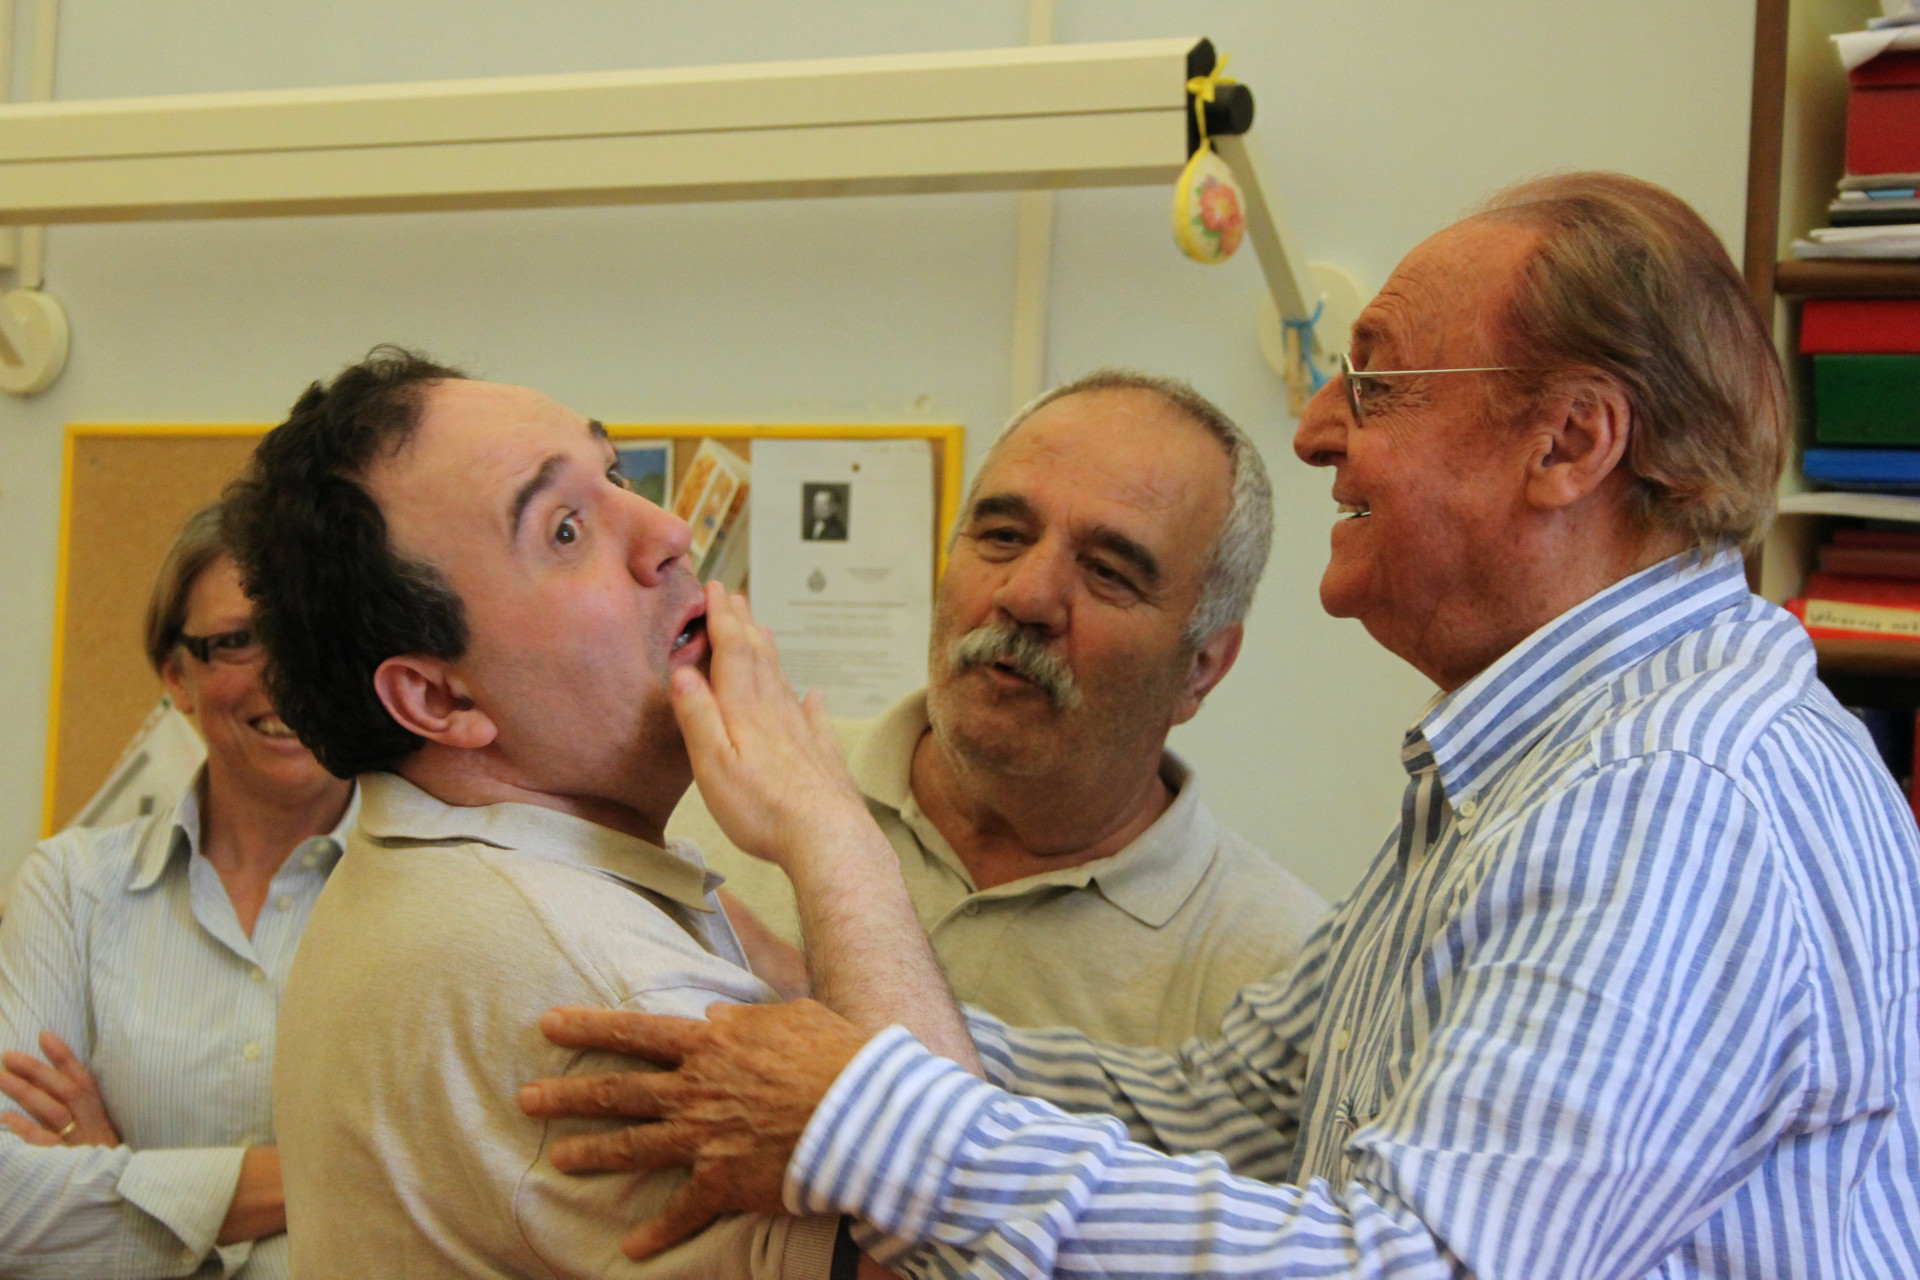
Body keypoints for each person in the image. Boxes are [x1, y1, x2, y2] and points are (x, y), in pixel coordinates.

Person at [520, 172, 1920, 1277]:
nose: (1317, 430)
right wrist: (826, 998)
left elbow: (1419, 1266)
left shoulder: (1669, 795)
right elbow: (1234, 1112)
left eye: (1374, 380)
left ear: (1569, 446)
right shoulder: (1538, 770)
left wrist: (873, 1117)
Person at [228, 348, 974, 1278]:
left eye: (616, 473)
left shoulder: (427, 866)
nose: (666, 530)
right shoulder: (588, 978)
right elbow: (970, 1242)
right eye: (567, 530)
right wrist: (837, 837)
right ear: (438, 699)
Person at [673, 371, 1325, 1047]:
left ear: (1202, 667)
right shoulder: (711, 798)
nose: (1028, 596)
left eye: (1108, 571)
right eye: (1004, 535)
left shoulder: (1277, 979)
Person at [0, 502, 355, 1278]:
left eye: (311, 630)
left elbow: (473, 1193)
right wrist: (349, 1176)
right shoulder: (72, 889)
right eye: (237, 642)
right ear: (177, 675)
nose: (284, 670)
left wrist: (119, 1177)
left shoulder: (439, 885)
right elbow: (6, 1208)